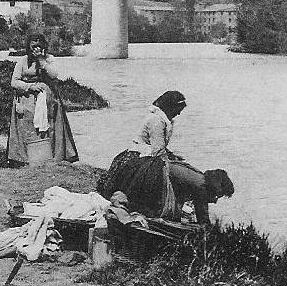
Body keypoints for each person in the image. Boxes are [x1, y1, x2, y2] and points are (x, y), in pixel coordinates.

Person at [98, 91, 234, 225]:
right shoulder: (156, 120)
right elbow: (157, 149)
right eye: (178, 109)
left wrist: (173, 158)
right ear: (170, 106)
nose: (179, 113)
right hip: (140, 158)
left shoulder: (165, 121)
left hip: (153, 157)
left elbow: (160, 147)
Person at [7, 34, 79, 166]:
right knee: (27, 126)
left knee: (50, 126)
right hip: (27, 99)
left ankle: (53, 156)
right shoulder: (23, 61)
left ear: (44, 46)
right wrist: (30, 86)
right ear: (29, 47)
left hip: (48, 100)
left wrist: (42, 61)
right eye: (34, 46)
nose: (37, 48)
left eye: (39, 46)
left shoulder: (49, 59)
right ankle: (26, 158)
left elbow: (54, 75)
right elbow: (14, 81)